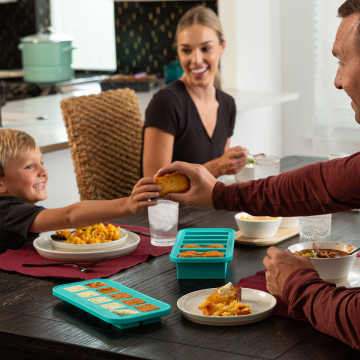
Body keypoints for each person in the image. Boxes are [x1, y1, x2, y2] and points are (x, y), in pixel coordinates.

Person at [154, 0, 360, 350]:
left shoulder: (225, 102)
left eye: (341, 61)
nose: (337, 81)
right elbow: (323, 183)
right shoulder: (168, 100)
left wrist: (298, 285)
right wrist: (220, 194)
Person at [0, 129, 160, 254]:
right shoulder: (7, 212)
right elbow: (69, 216)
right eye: (29, 166)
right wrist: (127, 204)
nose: (43, 171)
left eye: (42, 162)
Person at [142, 6, 249, 178]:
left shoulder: (228, 105)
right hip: (171, 206)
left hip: (209, 205)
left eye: (205, 48)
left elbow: (215, 181)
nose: (196, 59)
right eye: (186, 50)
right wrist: (217, 167)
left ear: (222, 46)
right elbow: (155, 187)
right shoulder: (166, 103)